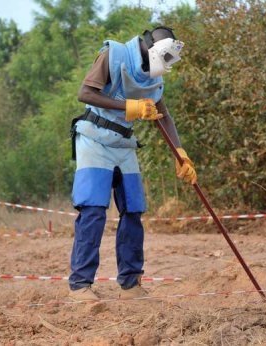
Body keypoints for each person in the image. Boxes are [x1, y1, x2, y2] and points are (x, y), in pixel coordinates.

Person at [68, 26, 197, 302]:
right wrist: (130, 107)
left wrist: (180, 153)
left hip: (124, 144)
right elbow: (85, 94)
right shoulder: (112, 55)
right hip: (94, 139)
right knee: (93, 211)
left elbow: (165, 117)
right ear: (152, 49)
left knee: (133, 211)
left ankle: (131, 284)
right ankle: (80, 286)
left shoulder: (154, 79)